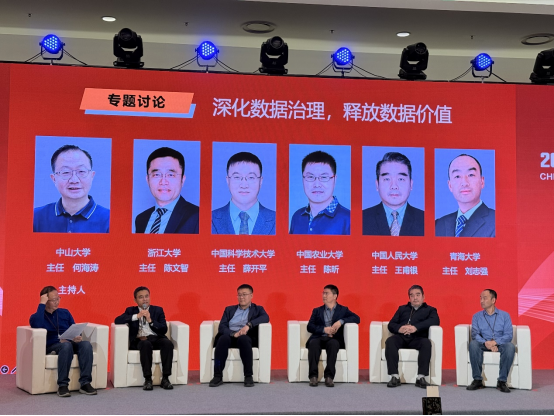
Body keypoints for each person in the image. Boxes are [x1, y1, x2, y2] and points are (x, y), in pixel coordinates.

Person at [29, 286, 97, 397]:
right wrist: (41, 304)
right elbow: (37, 325)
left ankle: (85, 383)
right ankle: (63, 385)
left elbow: (74, 329)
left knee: (86, 345)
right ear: (45, 300)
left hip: (70, 341)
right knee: (66, 346)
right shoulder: (37, 316)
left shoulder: (65, 312)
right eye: (53, 300)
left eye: (58, 298)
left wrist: (77, 336)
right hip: (53, 345)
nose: (57, 302)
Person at [33, 145, 110, 233]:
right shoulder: (35, 217)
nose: (74, 180)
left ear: (92, 176)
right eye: (66, 172)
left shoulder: (109, 219)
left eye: (81, 171)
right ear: (54, 179)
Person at [114, 287, 174, 391]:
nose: (145, 299)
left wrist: (150, 320)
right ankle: (148, 379)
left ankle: (165, 378)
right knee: (145, 345)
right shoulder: (131, 310)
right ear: (135, 300)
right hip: (140, 340)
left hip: (156, 338)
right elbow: (117, 320)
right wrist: (136, 316)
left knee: (167, 343)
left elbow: (163, 329)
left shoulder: (158, 310)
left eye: (146, 296)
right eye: (141, 297)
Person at [209, 284, 270, 388]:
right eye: (239, 295)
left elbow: (265, 317)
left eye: (244, 294)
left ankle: (248, 376)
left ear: (251, 295)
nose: (241, 297)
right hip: (230, 335)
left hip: (246, 336)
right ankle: (217, 376)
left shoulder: (258, 309)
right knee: (222, 339)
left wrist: (248, 325)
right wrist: (233, 333)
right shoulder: (229, 309)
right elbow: (222, 326)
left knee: (243, 339)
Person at [385, 285, 440, 388]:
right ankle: (394, 376)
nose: (415, 298)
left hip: (418, 338)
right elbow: (391, 324)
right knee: (390, 341)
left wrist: (416, 327)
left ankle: (421, 377)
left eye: (418, 295)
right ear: (409, 298)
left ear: (423, 296)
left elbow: (435, 321)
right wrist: (400, 328)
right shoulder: (402, 309)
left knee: (426, 343)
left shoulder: (430, 310)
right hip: (402, 337)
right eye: (412, 295)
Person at [135, 147, 199, 234]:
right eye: (157, 175)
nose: (163, 182)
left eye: (170, 175)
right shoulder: (141, 219)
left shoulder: (198, 216)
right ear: (148, 180)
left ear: (182, 180)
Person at [306, 285, 360, 387]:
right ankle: (313, 376)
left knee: (333, 344)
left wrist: (341, 321)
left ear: (335, 296)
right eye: (323, 293)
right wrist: (324, 329)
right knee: (313, 344)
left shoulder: (343, 310)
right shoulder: (317, 310)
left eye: (326, 293)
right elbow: (310, 326)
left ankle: (329, 377)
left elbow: (357, 318)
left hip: (334, 338)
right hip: (319, 337)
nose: (324, 296)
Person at [212, 152, 276, 235]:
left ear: (260, 181)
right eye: (237, 177)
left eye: (251, 177)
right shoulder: (210, 219)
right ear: (228, 180)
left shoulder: (277, 220)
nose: (244, 185)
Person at [363, 152, 424, 236]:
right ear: (377, 185)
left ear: (411, 184)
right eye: (387, 179)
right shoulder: (361, 219)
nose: (394, 186)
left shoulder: (426, 220)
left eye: (401, 179)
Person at [290, 151, 350, 235]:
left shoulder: (349, 219)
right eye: (310, 177)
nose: (317, 184)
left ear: (334, 180)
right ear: (303, 179)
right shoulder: (297, 217)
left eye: (324, 177)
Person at [467, 289, 515, 394]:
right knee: (473, 344)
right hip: (483, 344)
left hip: (500, 344)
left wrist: (495, 342)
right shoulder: (476, 316)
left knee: (510, 347)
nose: (481, 301)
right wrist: (486, 343)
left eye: (485, 298)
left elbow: (508, 335)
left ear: (493, 300)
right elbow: (475, 334)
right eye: (480, 298)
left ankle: (502, 381)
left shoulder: (505, 316)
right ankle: (477, 380)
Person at [435, 154, 495, 238]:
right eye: (457, 176)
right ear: (450, 185)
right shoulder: (438, 225)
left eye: (471, 175)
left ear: (482, 182)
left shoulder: (497, 221)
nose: (464, 183)